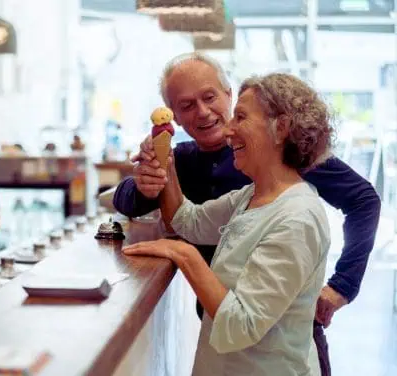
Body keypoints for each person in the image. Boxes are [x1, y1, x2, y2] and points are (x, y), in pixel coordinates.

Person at [114, 53, 381, 376]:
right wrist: (161, 163)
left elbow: (365, 201)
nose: (228, 131)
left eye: (238, 115)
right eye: (185, 105)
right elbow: (185, 219)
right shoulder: (245, 193)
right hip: (227, 344)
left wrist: (342, 285)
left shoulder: (296, 205)